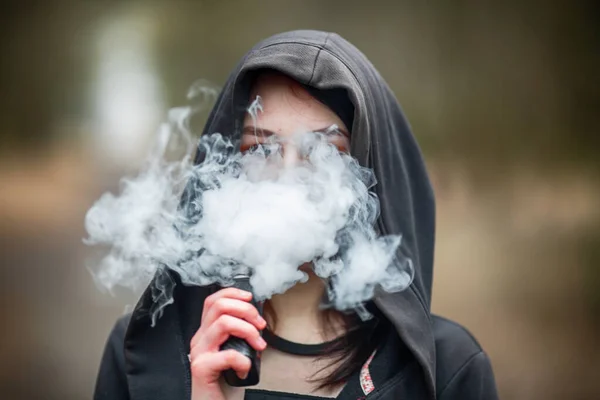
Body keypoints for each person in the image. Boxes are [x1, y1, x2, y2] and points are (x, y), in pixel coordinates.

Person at [94, 30, 498, 400]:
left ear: (369, 174)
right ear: (224, 167)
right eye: (260, 149)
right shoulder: (146, 357)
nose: (287, 177)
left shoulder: (449, 369)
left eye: (322, 152)